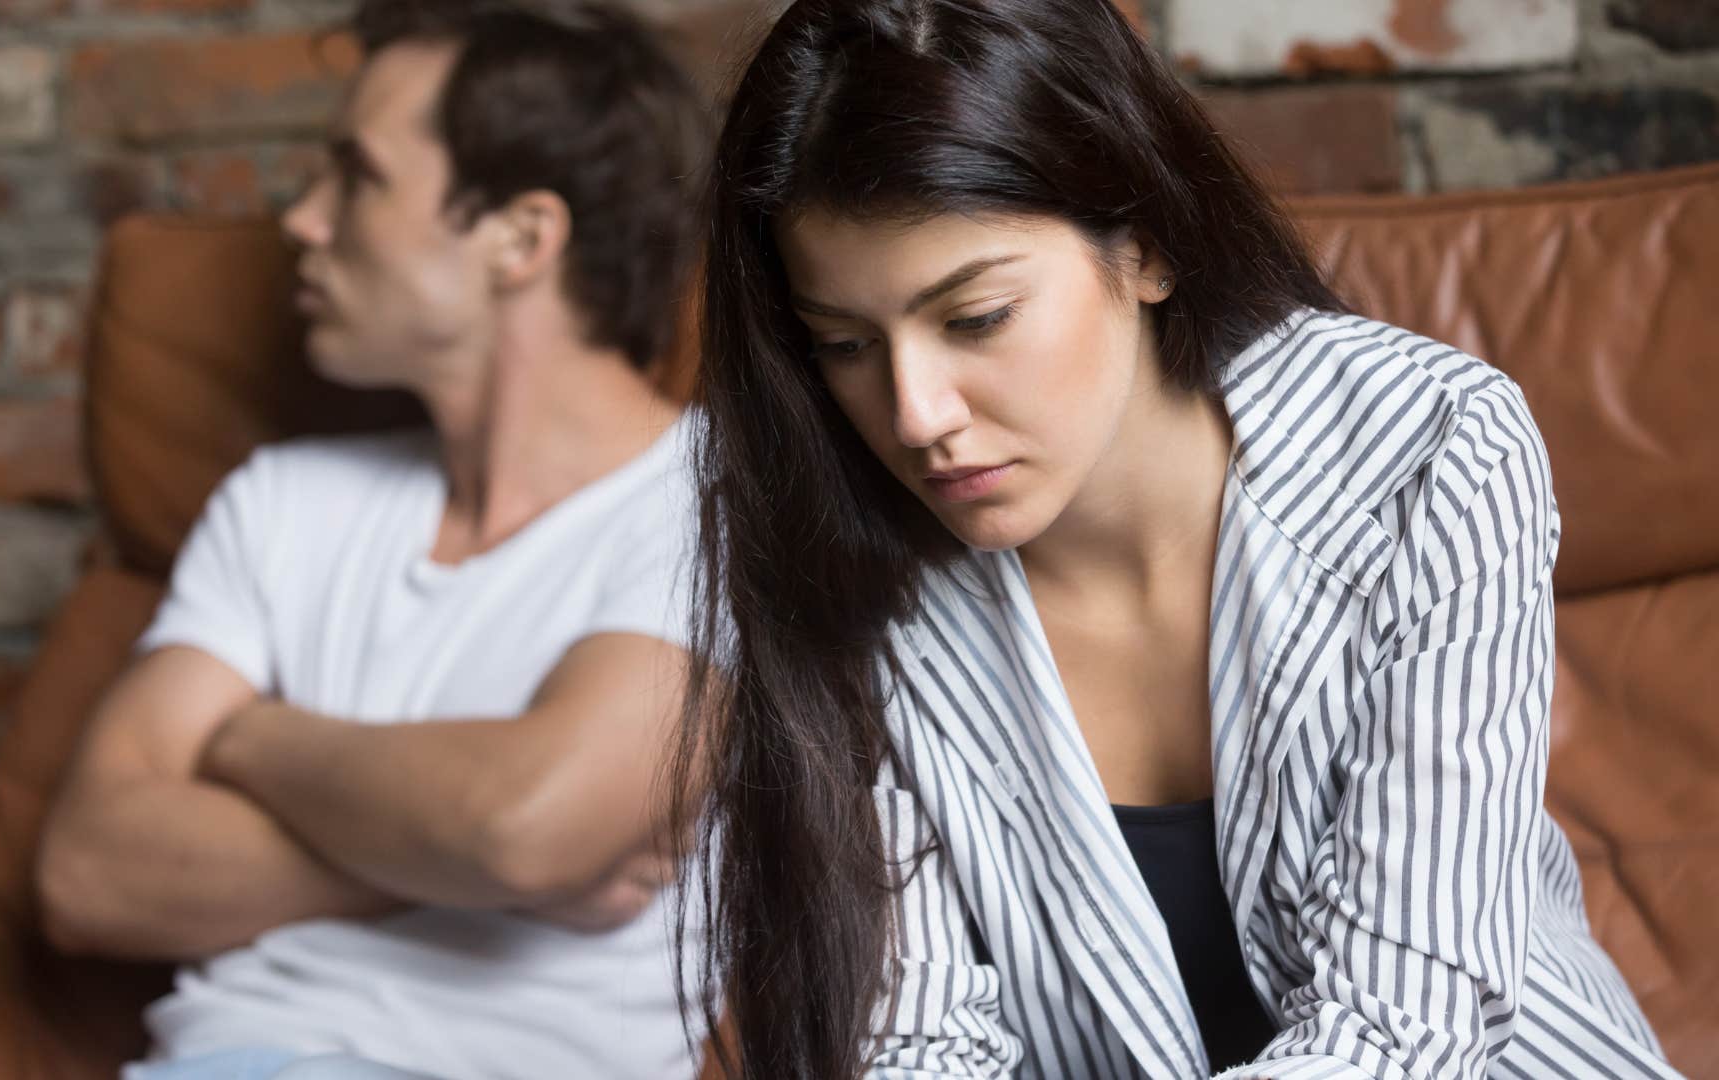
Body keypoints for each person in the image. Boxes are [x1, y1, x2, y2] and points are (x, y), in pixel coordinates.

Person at [670, 0, 1683, 1076]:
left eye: (975, 319)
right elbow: (914, 1048)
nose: (915, 413)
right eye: (843, 343)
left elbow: (1403, 1036)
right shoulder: (838, 548)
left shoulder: (1425, 450)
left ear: (1146, 241)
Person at [34, 1, 710, 1077]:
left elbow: (521, 827)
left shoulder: (718, 506)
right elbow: (85, 873)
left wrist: (247, 737)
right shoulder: (281, 499)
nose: (303, 220)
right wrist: (467, 864)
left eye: (357, 176)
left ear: (521, 238)